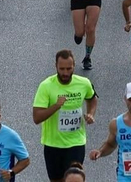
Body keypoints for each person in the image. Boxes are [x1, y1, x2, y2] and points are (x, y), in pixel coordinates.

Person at [33, 49, 97, 182]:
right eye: (62, 69)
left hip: (76, 142)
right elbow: (37, 117)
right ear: (55, 66)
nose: (65, 73)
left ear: (74, 66)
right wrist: (56, 106)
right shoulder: (46, 86)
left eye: (69, 68)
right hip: (53, 144)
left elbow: (92, 98)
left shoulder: (83, 83)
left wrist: (91, 113)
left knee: (73, 179)